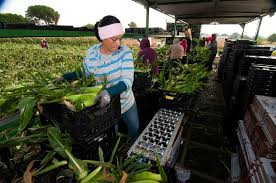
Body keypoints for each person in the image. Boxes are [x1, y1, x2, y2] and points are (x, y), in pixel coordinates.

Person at [61, 15, 139, 139]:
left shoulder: (125, 52)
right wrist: (66, 77)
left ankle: (132, 144)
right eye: (114, 39)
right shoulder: (91, 54)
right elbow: (86, 73)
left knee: (134, 126)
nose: (118, 44)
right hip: (105, 105)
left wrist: (109, 92)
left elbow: (127, 80)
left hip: (125, 101)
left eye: (120, 39)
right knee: (112, 130)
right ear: (102, 37)